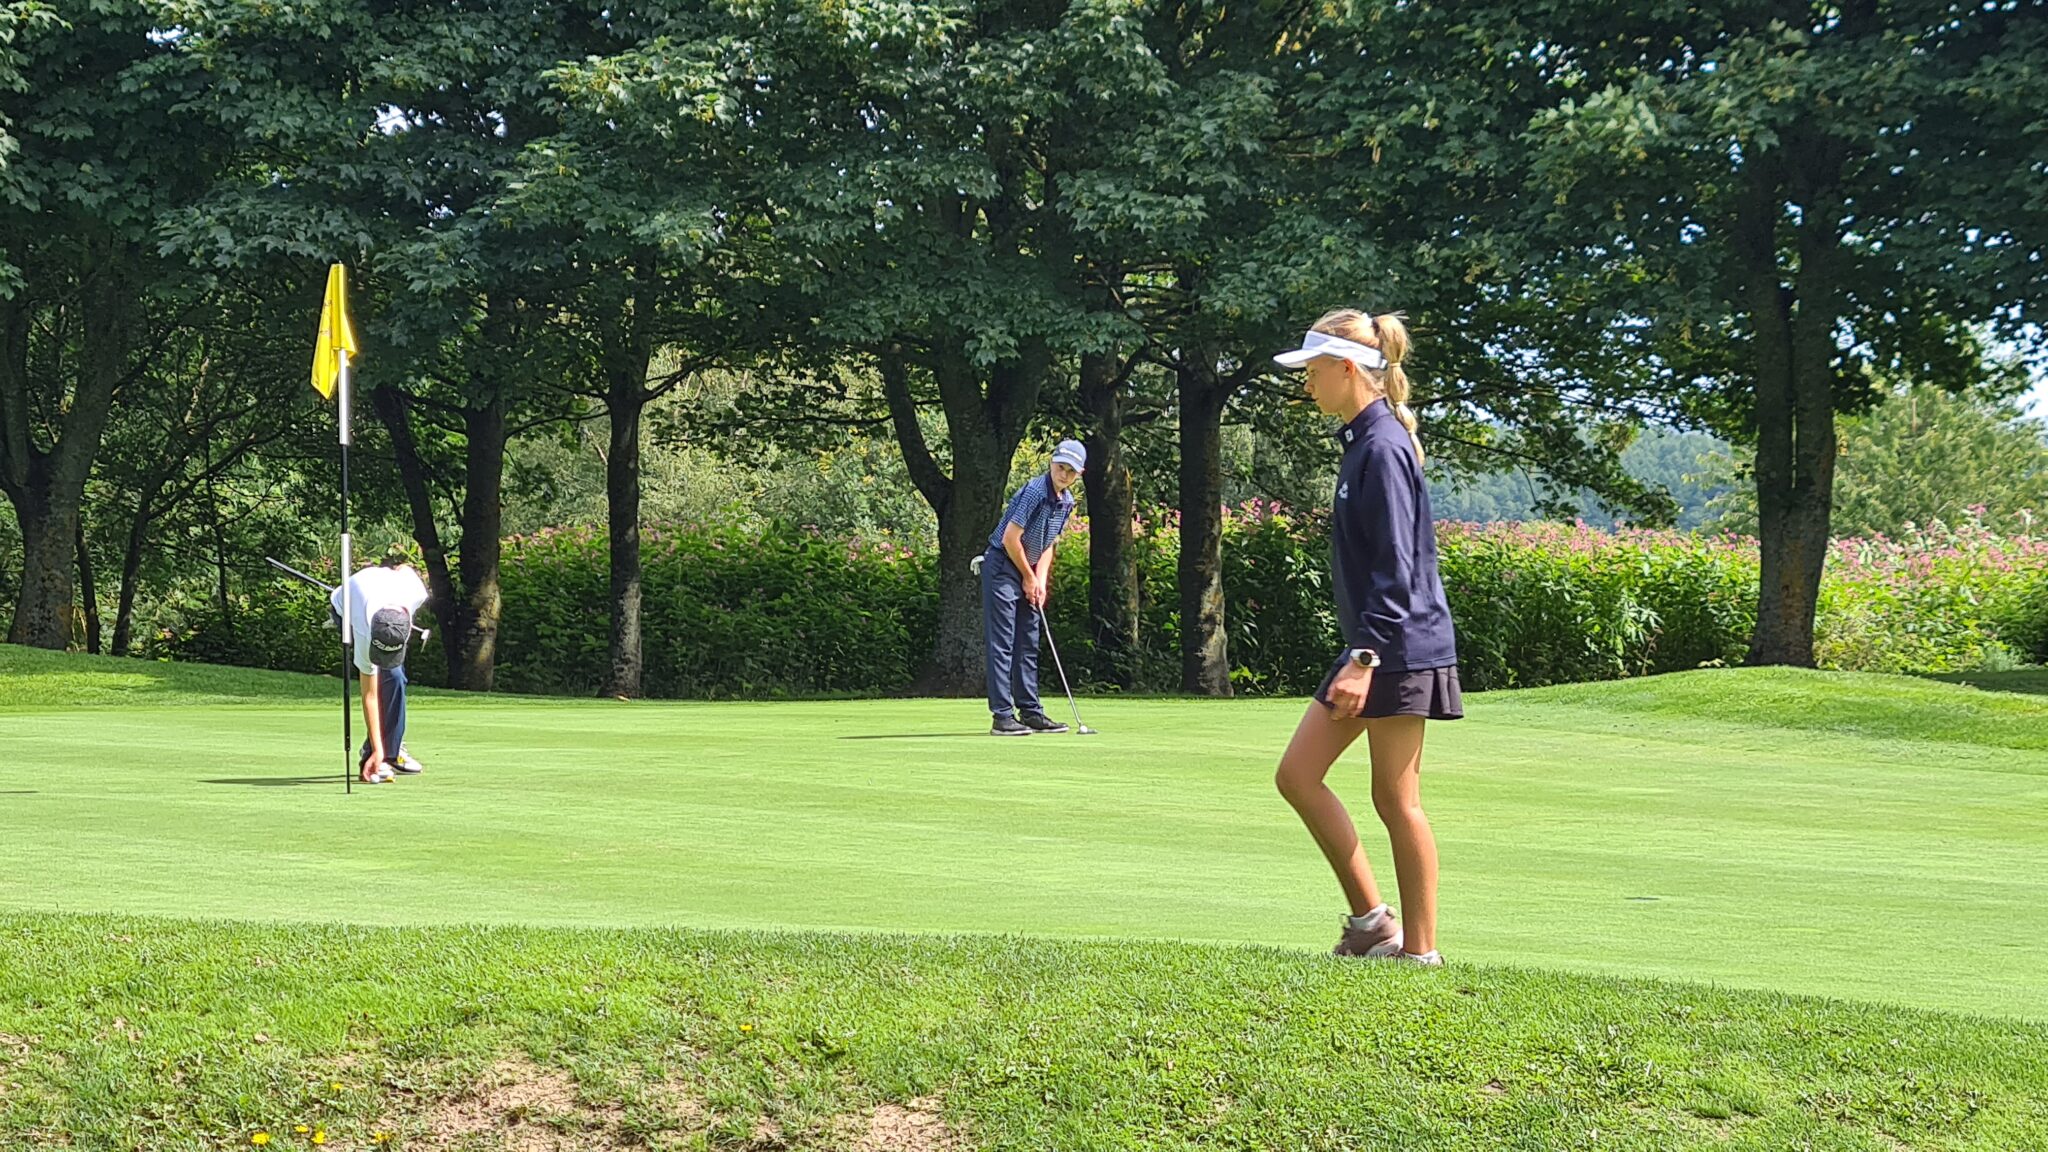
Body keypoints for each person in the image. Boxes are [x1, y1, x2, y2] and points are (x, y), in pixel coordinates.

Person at [1271, 310, 1462, 966]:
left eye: (1314, 373)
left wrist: (1363, 659)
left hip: (1396, 650)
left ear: (1347, 369)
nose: (1308, 386)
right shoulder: (1364, 441)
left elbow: (1397, 569)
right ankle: (1374, 924)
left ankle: (1422, 952)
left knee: (1396, 799)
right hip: (1376, 646)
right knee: (1298, 775)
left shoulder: (1380, 446)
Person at [980, 439, 1086, 736]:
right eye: (1059, 467)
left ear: (1079, 474)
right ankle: (1002, 717)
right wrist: (1028, 576)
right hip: (1002, 565)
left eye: (1070, 471)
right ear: (1051, 463)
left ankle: (1030, 712)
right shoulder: (1035, 491)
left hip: (1028, 567)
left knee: (1028, 641)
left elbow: (1048, 544)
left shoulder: (1066, 501)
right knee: (1003, 643)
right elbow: (1010, 539)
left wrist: (1039, 580)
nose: (1063, 475)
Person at [331, 547, 429, 785]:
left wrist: (393, 571)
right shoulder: (364, 629)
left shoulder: (416, 592)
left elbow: (404, 568)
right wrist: (377, 749)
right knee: (385, 680)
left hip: (386, 606)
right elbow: (370, 695)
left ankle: (391, 749)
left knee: (395, 677)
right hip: (345, 608)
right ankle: (377, 755)